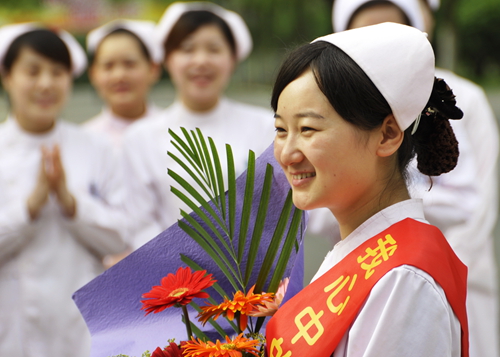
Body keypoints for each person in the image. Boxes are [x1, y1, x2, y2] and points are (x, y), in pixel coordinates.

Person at [265, 23, 468, 356]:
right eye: (281, 129)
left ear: (387, 135)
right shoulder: (364, 253)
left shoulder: (405, 278)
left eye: (308, 128)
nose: (287, 153)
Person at [331, 1, 499, 356]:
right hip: (363, 268)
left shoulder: (462, 97)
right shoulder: (341, 105)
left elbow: (482, 197)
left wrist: (435, 260)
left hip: (459, 263)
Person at [0, 23, 128, 357]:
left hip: (80, 327)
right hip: (12, 328)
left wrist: (72, 204)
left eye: (57, 72)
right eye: (33, 71)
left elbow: (121, 236)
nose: (46, 83)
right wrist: (31, 206)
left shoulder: (95, 147)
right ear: (7, 76)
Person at [122, 1, 275, 249]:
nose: (201, 60)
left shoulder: (266, 128)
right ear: (167, 59)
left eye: (214, 49)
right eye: (187, 49)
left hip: (253, 280)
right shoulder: (140, 138)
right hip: (170, 281)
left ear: (233, 58)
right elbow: (139, 224)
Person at [84, 19, 162, 149]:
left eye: (129, 64)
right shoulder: (84, 141)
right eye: (108, 66)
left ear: (153, 69)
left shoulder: (177, 135)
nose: (119, 76)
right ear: (93, 74)